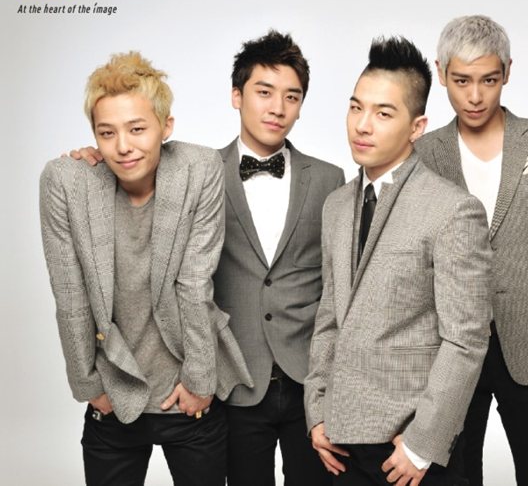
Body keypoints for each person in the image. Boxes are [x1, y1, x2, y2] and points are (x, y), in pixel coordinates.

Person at [70, 31, 345, 485]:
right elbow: (132, 153)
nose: (277, 107)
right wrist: (91, 161)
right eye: (263, 92)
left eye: (291, 96)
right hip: (232, 383)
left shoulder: (330, 179)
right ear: (237, 96)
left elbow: (338, 285)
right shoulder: (194, 174)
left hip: (310, 382)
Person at [40, 51, 253, 486]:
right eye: (107, 132)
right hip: (113, 390)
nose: (123, 146)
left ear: (165, 127)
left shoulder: (200, 169)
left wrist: (199, 381)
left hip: (188, 390)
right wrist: (89, 387)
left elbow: (195, 283)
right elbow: (70, 294)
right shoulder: (66, 181)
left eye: (137, 129)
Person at [415, 15, 528, 486]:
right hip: (448, 346)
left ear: (508, 72)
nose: (475, 96)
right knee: (451, 477)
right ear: (440, 73)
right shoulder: (421, 154)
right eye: (462, 81)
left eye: (489, 80)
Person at [305, 36, 493, 486]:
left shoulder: (453, 209)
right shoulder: (336, 205)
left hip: (409, 449)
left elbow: (466, 340)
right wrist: (317, 411)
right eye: (356, 108)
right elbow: (330, 317)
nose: (362, 125)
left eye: (383, 113)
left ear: (417, 126)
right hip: (340, 441)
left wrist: (422, 445)